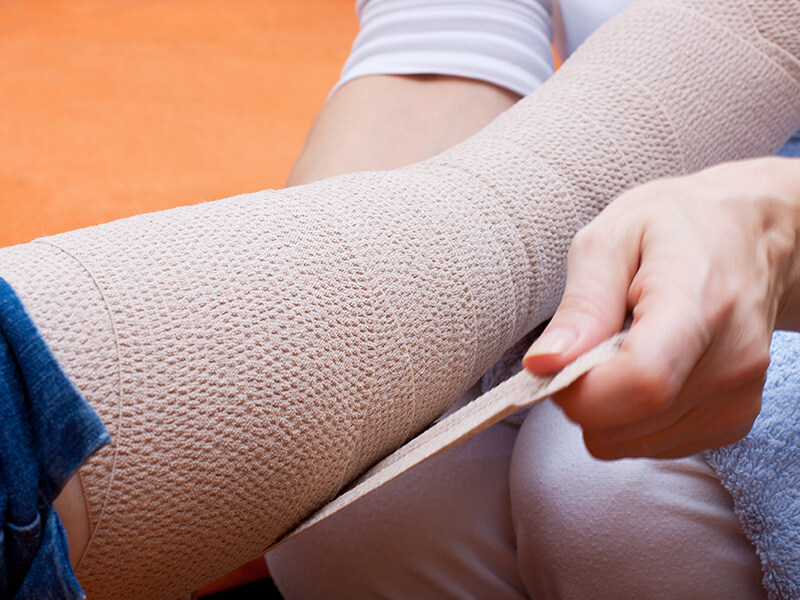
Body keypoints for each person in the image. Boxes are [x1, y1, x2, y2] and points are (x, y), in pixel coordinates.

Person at [264, 1, 800, 598]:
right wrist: (310, 300)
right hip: (604, 189)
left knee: (611, 498)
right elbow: (442, 46)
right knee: (351, 508)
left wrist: (780, 228)